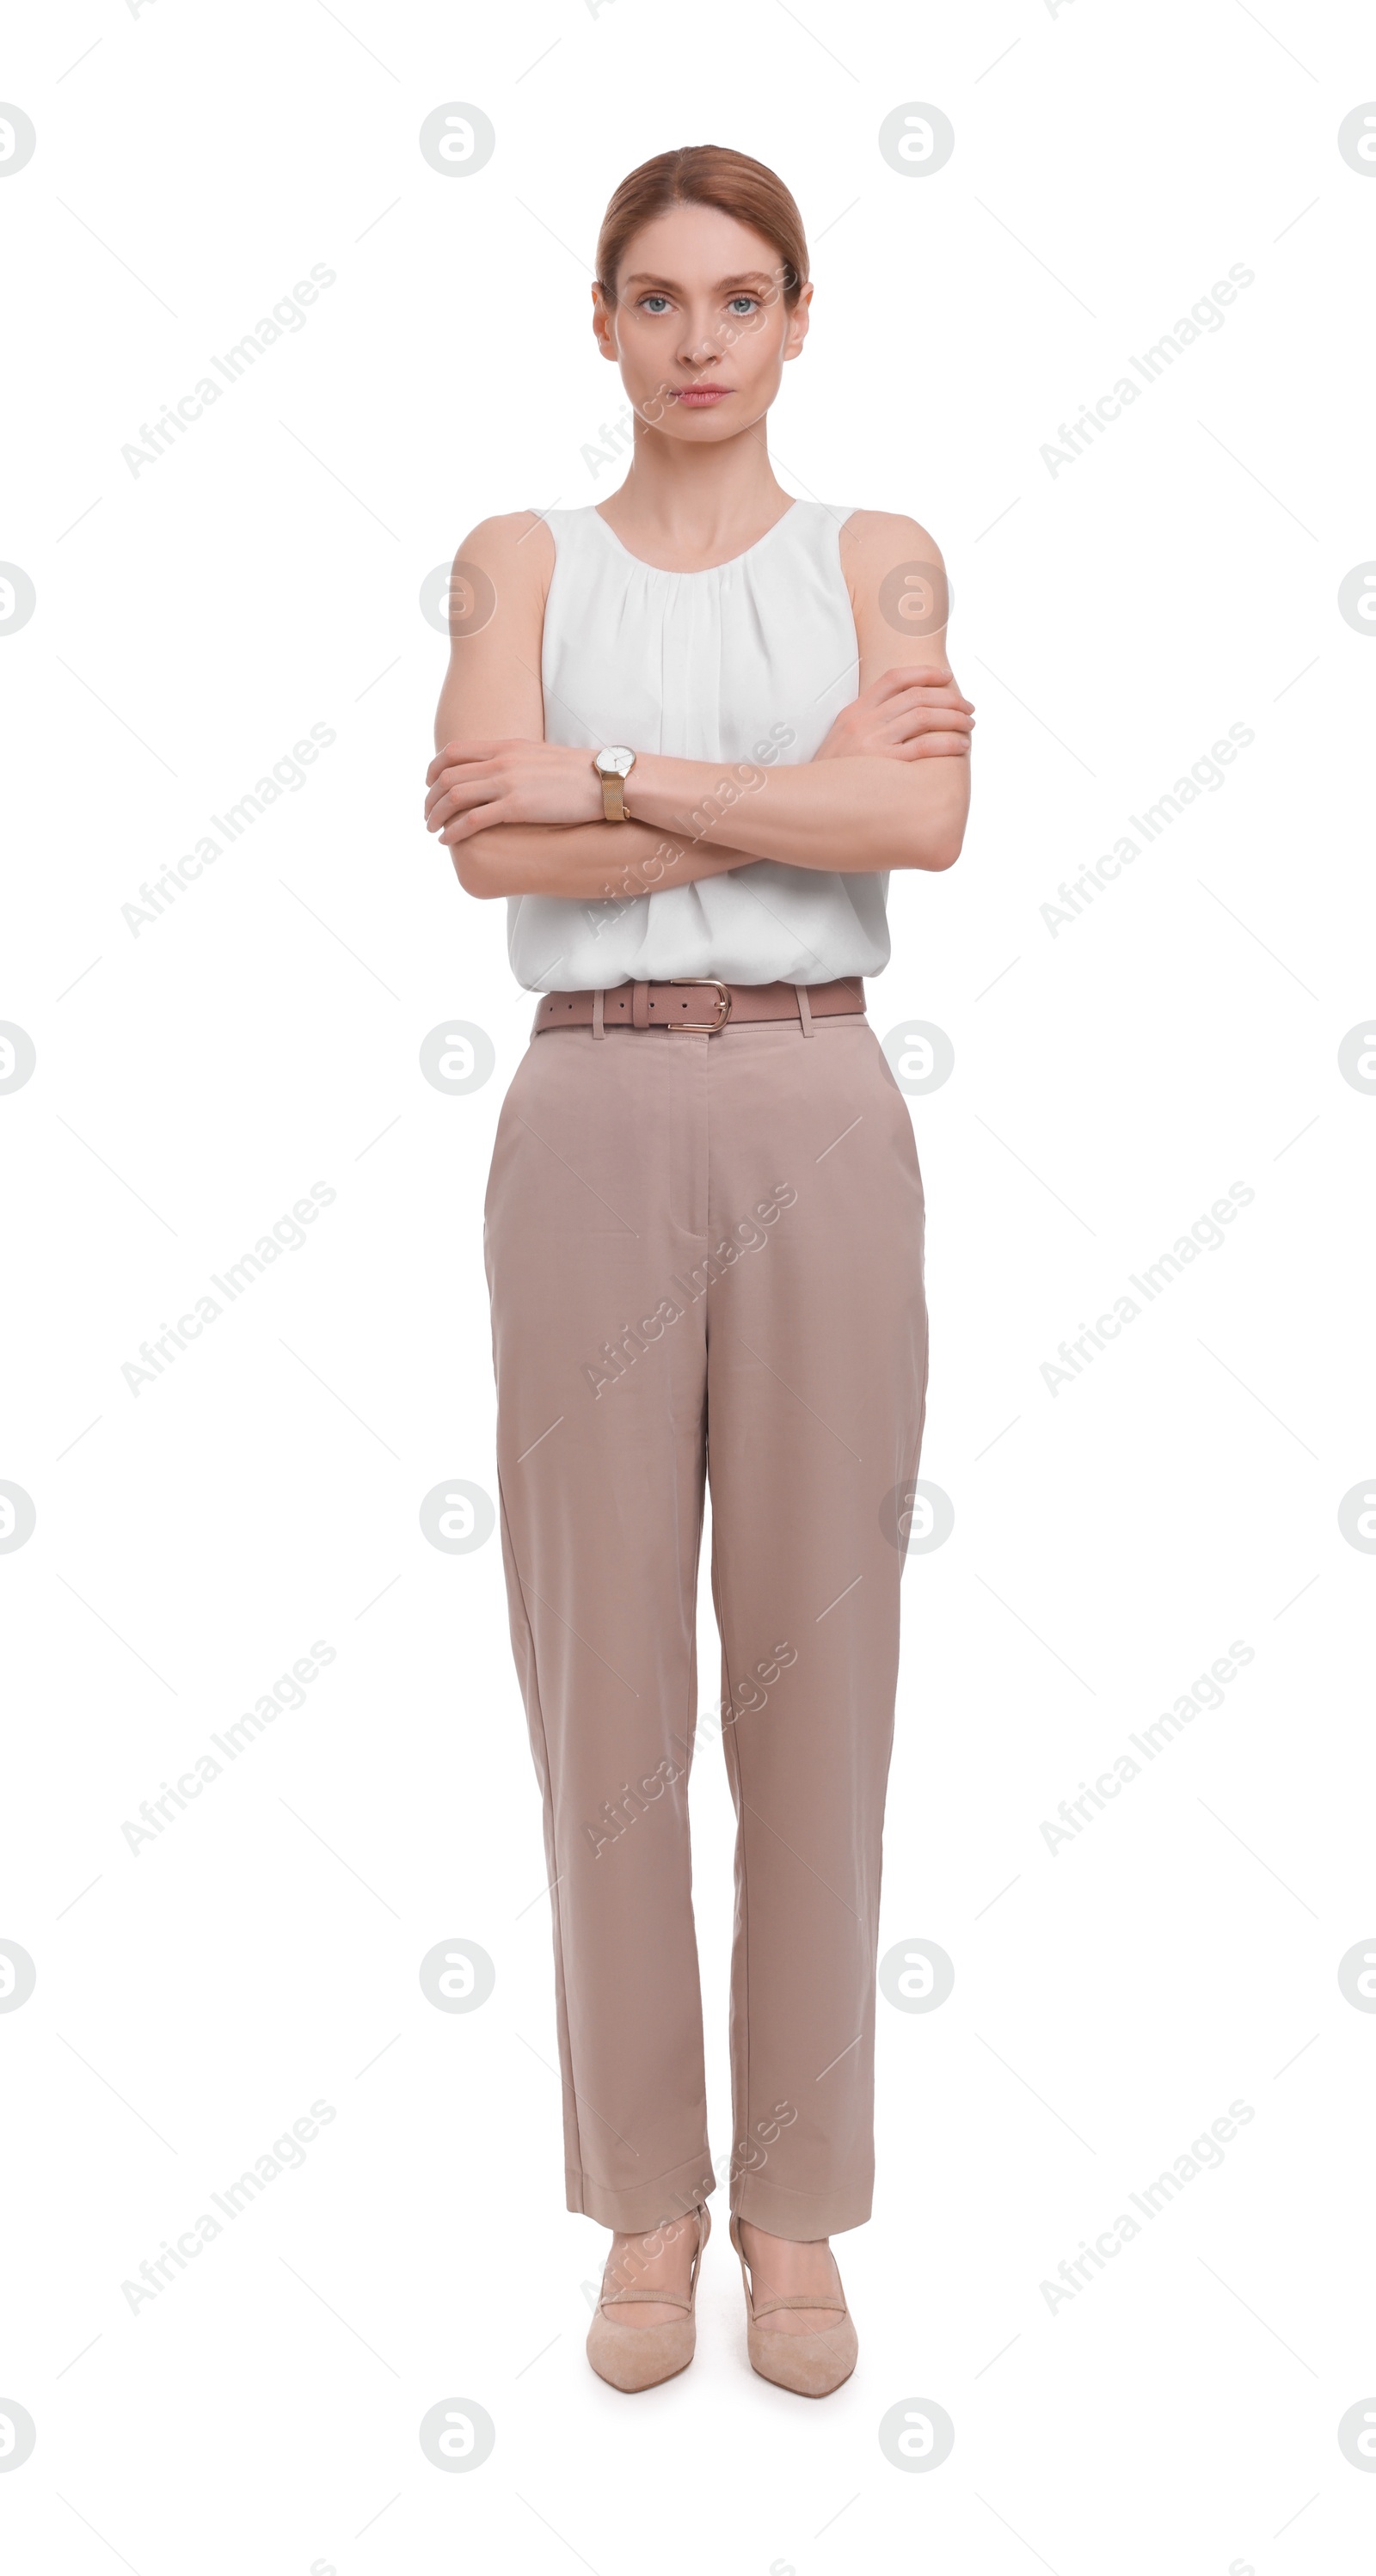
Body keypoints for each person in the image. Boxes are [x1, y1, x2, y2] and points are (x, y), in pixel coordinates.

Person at [425, 143, 973, 2397]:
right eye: (655, 297)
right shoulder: (514, 559)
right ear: (602, 322)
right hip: (590, 1107)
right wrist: (774, 784)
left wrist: (616, 783)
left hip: (822, 1107)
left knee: (819, 1681)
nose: (698, 337)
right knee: (605, 1686)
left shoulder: (883, 559)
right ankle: (647, 2201)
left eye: (739, 296)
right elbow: (482, 833)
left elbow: (919, 825)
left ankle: (802, 2212)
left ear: (797, 318)